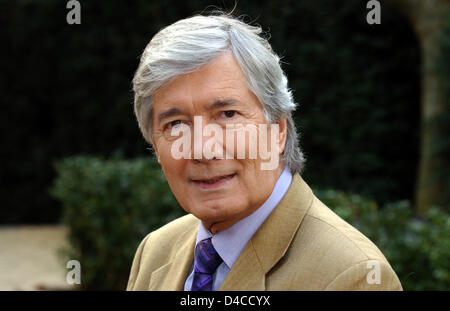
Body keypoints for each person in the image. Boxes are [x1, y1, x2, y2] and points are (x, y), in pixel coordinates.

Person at [126, 13, 402, 291]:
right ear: (156, 147)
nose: (203, 148)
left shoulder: (353, 276)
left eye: (227, 115)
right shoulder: (154, 252)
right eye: (175, 124)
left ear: (278, 130)